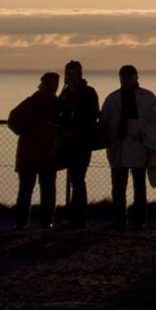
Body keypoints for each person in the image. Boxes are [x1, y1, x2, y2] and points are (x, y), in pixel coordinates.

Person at [100, 64, 156, 230]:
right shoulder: (112, 99)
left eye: (129, 76)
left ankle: (139, 220)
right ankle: (119, 220)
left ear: (136, 77)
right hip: (118, 147)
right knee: (118, 186)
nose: (126, 80)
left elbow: (155, 123)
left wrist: (144, 136)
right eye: (123, 77)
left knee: (139, 185)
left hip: (139, 147)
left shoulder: (147, 98)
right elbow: (104, 122)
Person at [6, 72, 62, 230]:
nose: (52, 87)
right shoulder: (46, 103)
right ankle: (38, 221)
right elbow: (13, 119)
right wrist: (24, 127)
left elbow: (12, 119)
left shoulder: (37, 102)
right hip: (36, 154)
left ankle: (27, 221)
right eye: (50, 83)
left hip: (39, 154)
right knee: (39, 189)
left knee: (34, 190)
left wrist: (22, 128)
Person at [52, 60, 101, 227]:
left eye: (74, 73)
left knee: (78, 179)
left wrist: (74, 128)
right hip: (67, 143)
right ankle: (76, 216)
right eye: (68, 73)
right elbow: (56, 114)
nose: (71, 76)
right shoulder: (65, 93)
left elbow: (92, 116)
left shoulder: (88, 92)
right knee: (74, 178)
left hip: (82, 143)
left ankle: (79, 218)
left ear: (80, 75)